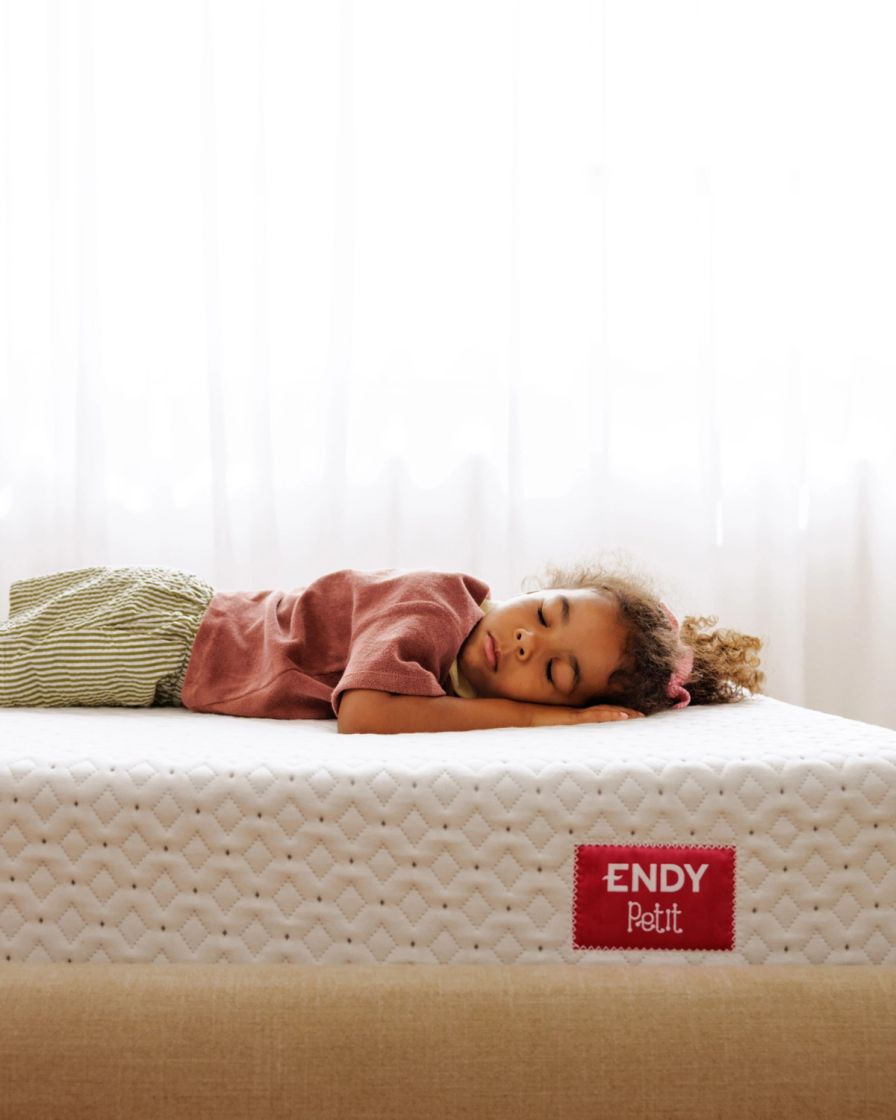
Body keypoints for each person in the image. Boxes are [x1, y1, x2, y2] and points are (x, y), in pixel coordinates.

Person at [0, 560, 764, 734]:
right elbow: (365, 713)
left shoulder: (459, 675)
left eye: (557, 672)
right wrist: (539, 717)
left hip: (180, 652)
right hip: (170, 640)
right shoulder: (436, 604)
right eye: (545, 611)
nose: (526, 640)